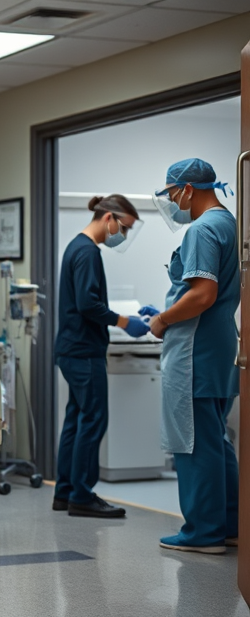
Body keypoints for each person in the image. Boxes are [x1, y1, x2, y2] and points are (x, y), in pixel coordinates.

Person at [145, 158, 238, 554]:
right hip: (219, 349)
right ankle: (230, 525)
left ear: (187, 188)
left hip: (194, 353)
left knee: (194, 442)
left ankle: (202, 532)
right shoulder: (230, 222)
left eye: (171, 193)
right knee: (216, 440)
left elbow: (202, 294)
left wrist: (163, 320)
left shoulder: (201, 229)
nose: (171, 201)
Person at [54, 194, 148, 518]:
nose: (122, 235)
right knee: (93, 420)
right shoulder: (88, 252)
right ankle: (82, 495)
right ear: (108, 218)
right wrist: (126, 322)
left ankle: (64, 492)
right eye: (124, 227)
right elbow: (87, 304)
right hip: (84, 351)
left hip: (70, 349)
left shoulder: (74, 246)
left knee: (75, 420)